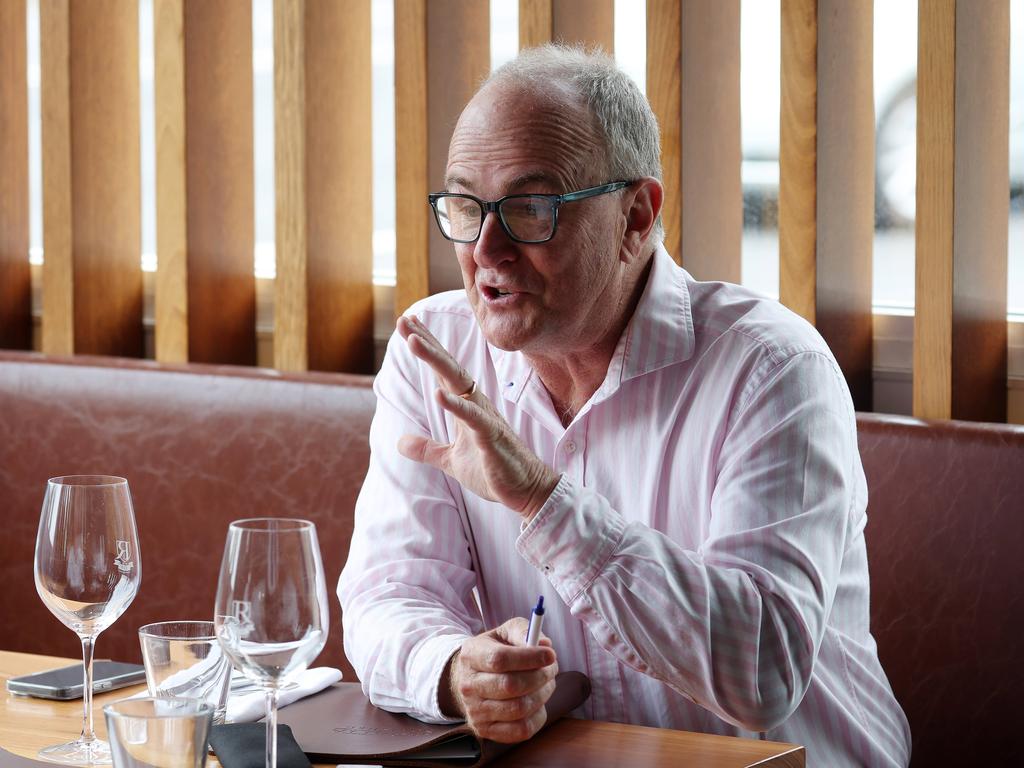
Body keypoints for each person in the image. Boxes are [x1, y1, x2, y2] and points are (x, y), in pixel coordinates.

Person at [339, 44, 911, 766]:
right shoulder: (434, 354)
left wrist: (547, 503)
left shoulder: (772, 369)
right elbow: (389, 593)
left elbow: (762, 672)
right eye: (465, 205)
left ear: (636, 216)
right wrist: (455, 671)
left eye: (529, 207)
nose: (487, 247)